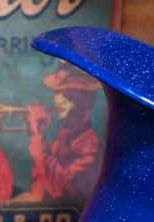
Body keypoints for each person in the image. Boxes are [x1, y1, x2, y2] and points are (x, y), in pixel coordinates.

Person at [25, 66, 102, 202]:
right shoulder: (63, 138)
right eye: (57, 92)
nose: (58, 100)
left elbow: (60, 189)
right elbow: (41, 186)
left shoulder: (90, 144)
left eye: (67, 94)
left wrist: (37, 137)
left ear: (85, 100)